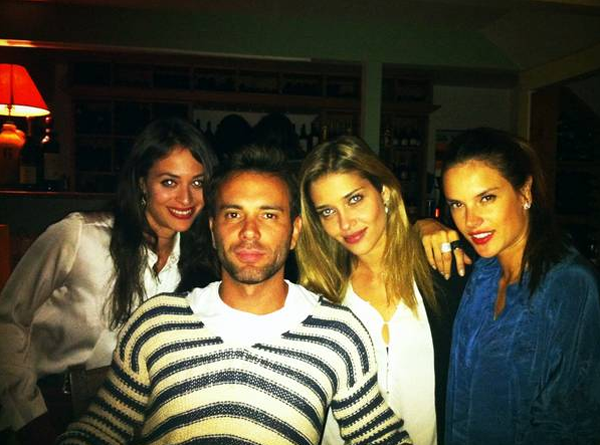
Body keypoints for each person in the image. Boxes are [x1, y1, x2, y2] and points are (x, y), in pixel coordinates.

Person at [56, 144, 412, 445]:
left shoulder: (336, 332)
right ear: (213, 229)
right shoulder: (157, 322)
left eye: (268, 215)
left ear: (294, 232)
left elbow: (381, 436)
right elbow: (100, 428)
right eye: (233, 215)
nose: (249, 232)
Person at [0, 117, 218, 444]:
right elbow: (7, 320)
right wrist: (30, 418)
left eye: (197, 183)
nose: (186, 199)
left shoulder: (201, 263)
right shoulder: (80, 236)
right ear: (142, 183)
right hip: (53, 411)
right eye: (169, 182)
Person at [296, 136, 466, 445]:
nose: (345, 223)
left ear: (384, 193)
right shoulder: (319, 294)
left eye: (354, 199)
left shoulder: (440, 272)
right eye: (327, 212)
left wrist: (425, 225)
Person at [437, 127, 600, 444]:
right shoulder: (481, 273)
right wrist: (422, 226)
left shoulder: (570, 284)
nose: (470, 221)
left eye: (486, 198)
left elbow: (570, 423)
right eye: (457, 204)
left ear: (525, 192)